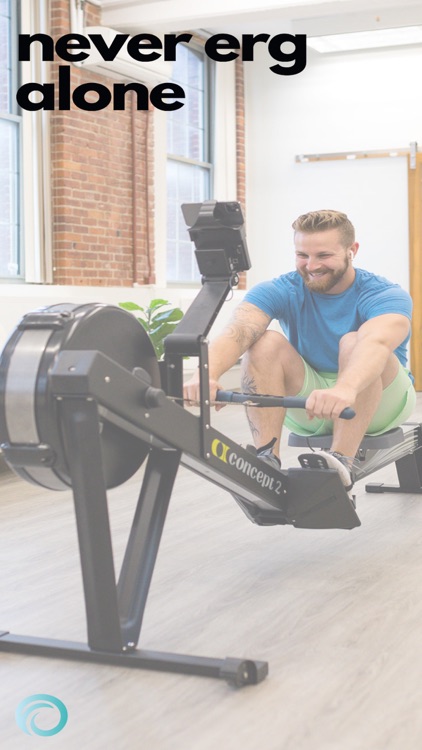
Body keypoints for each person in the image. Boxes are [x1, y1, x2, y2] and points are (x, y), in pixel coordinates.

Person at [183, 210, 416, 494]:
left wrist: (345, 389)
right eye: (302, 255)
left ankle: (340, 462)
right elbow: (240, 329)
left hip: (379, 400)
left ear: (351, 250)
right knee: (264, 341)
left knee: (354, 341)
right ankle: (266, 459)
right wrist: (205, 375)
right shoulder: (282, 288)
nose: (311, 265)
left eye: (323, 255)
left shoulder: (384, 293)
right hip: (312, 403)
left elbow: (375, 343)